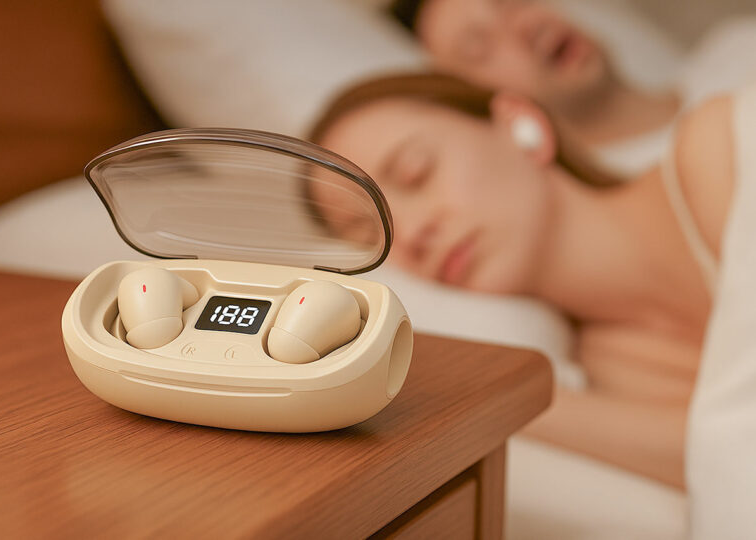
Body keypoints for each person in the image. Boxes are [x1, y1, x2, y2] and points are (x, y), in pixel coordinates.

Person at [308, 72, 743, 488]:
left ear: (522, 125)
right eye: (375, 234)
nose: (412, 233)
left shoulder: (723, 149)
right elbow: (721, 464)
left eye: (415, 173)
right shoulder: (612, 368)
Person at [388, 0, 756, 177]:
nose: (522, 28)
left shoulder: (733, 43)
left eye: (510, 3)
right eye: (479, 47)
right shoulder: (630, 195)